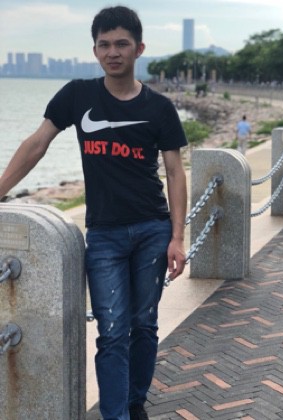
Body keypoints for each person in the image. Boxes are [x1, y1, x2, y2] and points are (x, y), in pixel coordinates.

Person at [0, 6, 188, 420]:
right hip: (104, 235)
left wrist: (177, 237)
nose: (112, 52)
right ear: (95, 50)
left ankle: (134, 401)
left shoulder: (159, 108)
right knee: (112, 331)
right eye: (104, 45)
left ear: (139, 48)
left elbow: (175, 172)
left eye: (121, 44)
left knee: (144, 325)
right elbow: (37, 144)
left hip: (152, 229)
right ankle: (116, 415)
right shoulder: (77, 95)